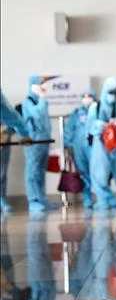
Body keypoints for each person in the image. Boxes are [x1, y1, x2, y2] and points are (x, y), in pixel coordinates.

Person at [87, 78, 116, 210]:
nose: (113, 96)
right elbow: (90, 125)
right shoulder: (95, 107)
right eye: (111, 92)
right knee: (100, 174)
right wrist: (102, 125)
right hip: (100, 144)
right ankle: (103, 200)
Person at [22, 76, 58, 212]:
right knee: (32, 172)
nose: (44, 86)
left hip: (44, 141)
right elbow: (37, 114)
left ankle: (42, 199)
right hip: (33, 142)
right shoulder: (28, 102)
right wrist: (43, 98)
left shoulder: (41, 101)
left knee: (41, 172)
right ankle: (33, 201)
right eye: (41, 83)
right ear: (33, 86)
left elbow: (45, 122)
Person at [63, 87, 97, 209]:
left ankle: (102, 197)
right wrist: (67, 145)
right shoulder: (76, 113)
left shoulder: (97, 111)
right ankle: (87, 198)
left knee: (97, 172)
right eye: (84, 96)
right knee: (83, 173)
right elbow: (68, 130)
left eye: (89, 96)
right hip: (78, 148)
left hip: (94, 146)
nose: (86, 99)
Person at [1, 91, 30, 213]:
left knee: (1, 173)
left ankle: (1, 200)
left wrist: (24, 134)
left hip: (2, 139)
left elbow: (10, 116)